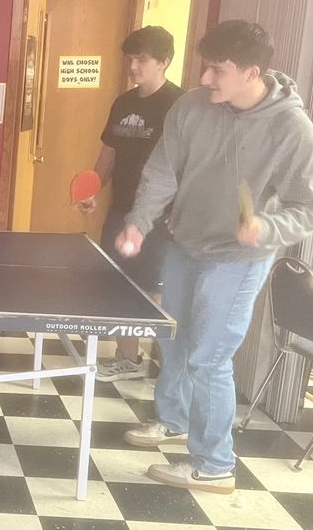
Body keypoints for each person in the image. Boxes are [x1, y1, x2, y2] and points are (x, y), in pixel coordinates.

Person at [117, 20, 313, 493]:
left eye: (218, 70)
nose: (205, 78)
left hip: (238, 258)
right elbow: (162, 171)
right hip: (184, 242)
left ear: (251, 73)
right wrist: (138, 221)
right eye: (205, 67)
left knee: (209, 359)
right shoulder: (191, 106)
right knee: (174, 340)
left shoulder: (292, 129)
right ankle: (172, 421)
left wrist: (268, 227)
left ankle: (214, 466)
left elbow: (310, 208)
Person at [77, 26, 183, 382]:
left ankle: (169, 368)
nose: (133, 67)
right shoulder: (123, 103)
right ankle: (129, 359)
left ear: (164, 61)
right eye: (130, 60)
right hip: (121, 208)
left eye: (142, 60)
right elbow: (109, 151)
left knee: (154, 290)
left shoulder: (179, 106)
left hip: (161, 217)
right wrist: (93, 187)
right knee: (118, 283)